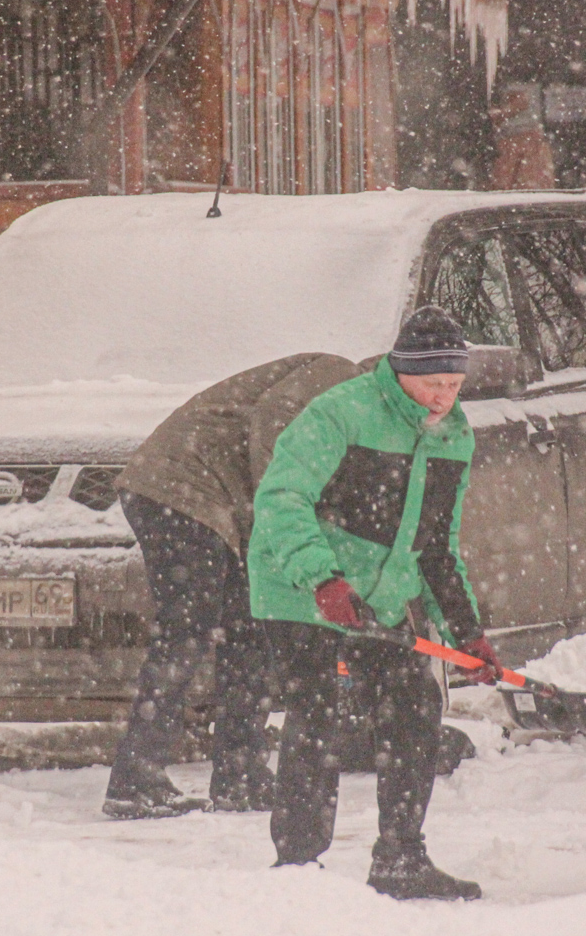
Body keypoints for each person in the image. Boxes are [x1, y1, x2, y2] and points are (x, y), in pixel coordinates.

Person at [247, 306, 502, 901]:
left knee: (414, 707)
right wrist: (324, 579)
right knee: (317, 715)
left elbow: (436, 544)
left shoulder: (454, 436)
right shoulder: (342, 412)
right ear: (401, 372)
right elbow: (282, 498)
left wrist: (467, 633)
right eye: (433, 383)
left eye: (455, 385)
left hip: (377, 598)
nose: (444, 398)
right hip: (298, 586)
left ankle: (400, 858)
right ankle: (298, 867)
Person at [102, 352, 363, 819]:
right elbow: (275, 416)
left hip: (213, 503)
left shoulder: (361, 415)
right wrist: (281, 509)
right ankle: (135, 778)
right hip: (179, 488)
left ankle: (240, 774)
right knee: (189, 630)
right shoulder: (342, 378)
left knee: (248, 632)